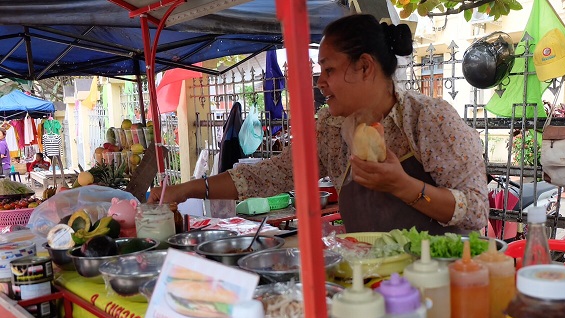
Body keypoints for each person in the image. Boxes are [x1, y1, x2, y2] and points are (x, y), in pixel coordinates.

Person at [149, 14, 488, 234]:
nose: (320, 81)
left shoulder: (428, 119)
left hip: (436, 285)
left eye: (329, 69)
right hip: (366, 280)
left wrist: (403, 186)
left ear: (365, 67)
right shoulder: (330, 127)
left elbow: (475, 211)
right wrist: (187, 189)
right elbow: (274, 174)